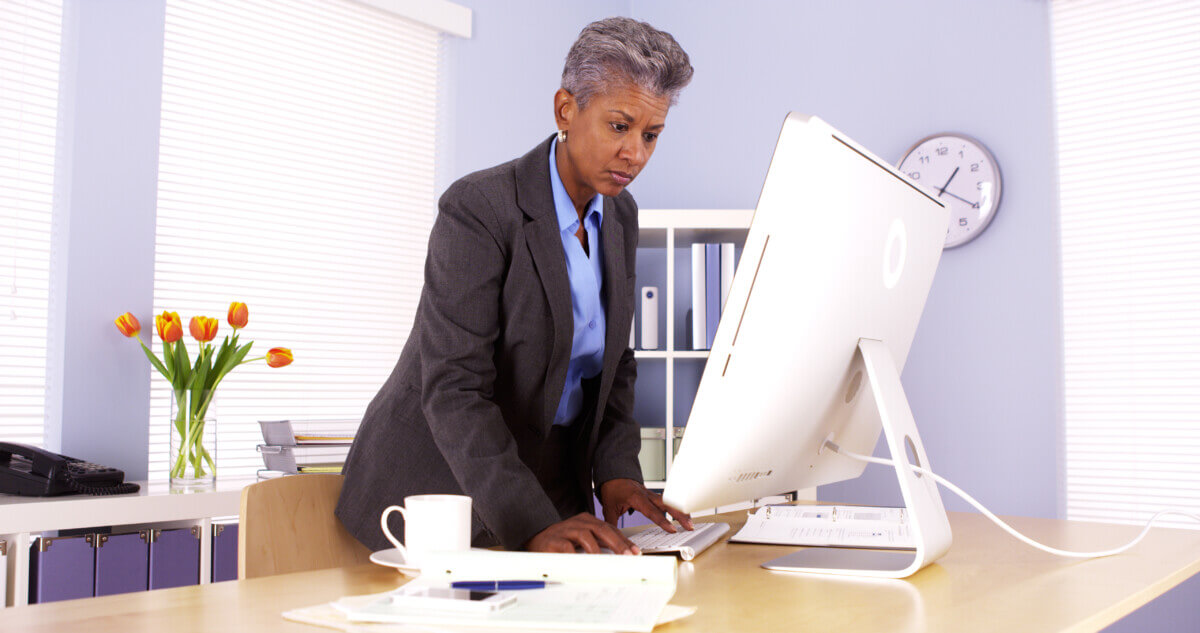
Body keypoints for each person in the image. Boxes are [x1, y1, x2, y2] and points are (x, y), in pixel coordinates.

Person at [336, 17, 694, 555]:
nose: (635, 154)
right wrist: (530, 522)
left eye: (651, 135)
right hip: (441, 485)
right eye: (619, 127)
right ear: (565, 110)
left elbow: (614, 364)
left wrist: (617, 473)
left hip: (545, 482)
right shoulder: (479, 209)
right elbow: (454, 387)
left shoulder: (620, 216)